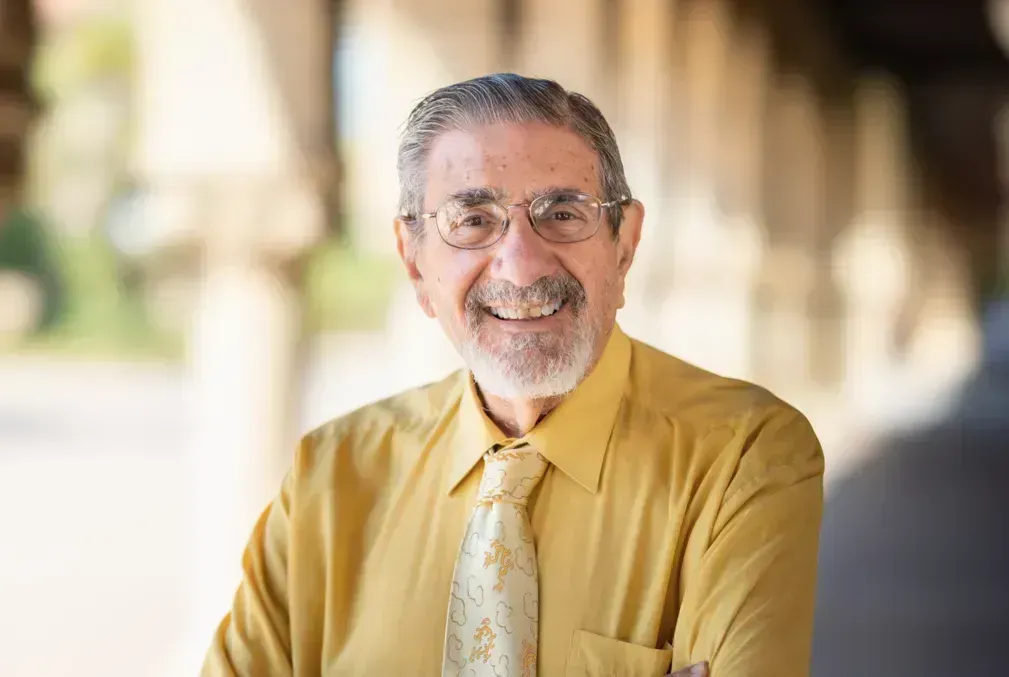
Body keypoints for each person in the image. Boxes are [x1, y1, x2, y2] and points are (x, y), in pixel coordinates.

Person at [201, 73, 824, 677]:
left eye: (562, 214)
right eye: (473, 221)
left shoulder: (744, 456)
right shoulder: (329, 478)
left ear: (624, 244)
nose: (521, 266)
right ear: (415, 263)